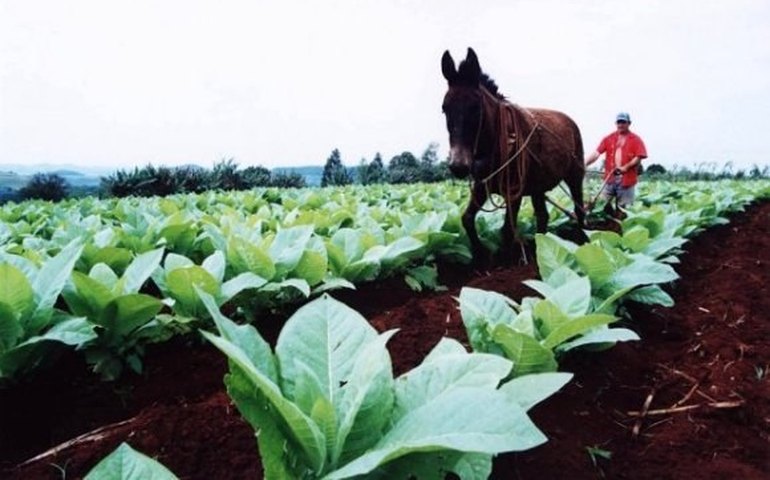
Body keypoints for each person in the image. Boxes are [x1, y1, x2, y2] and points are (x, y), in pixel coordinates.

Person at [585, 112, 648, 214]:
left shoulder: (636, 139)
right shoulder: (609, 138)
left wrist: (625, 167)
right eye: (619, 122)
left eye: (623, 122)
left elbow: (639, 157)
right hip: (610, 178)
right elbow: (597, 153)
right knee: (601, 205)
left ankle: (621, 226)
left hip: (626, 180)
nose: (620, 125)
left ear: (629, 123)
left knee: (623, 210)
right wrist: (584, 163)